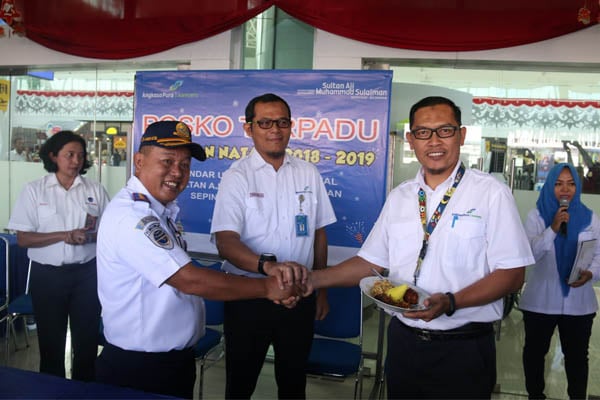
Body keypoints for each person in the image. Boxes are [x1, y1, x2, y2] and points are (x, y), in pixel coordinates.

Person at [305, 96, 535, 399]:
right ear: (411, 140)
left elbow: (512, 273)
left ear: (461, 135)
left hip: (464, 349)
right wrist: (311, 279)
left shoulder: (491, 194)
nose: (434, 141)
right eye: (424, 133)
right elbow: (369, 263)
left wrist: (450, 302)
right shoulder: (400, 197)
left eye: (445, 130)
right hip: (404, 344)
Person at [95, 120, 304, 399]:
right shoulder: (133, 217)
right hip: (140, 369)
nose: (177, 172)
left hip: (169, 363)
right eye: (167, 161)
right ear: (139, 162)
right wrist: (268, 288)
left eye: (185, 164)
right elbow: (189, 279)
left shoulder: (160, 212)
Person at [210, 93, 337, 399]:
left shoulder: (308, 172)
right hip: (248, 297)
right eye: (265, 122)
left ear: (291, 126)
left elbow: (319, 233)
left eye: (282, 122)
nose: (274, 130)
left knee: (293, 384)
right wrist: (268, 268)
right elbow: (226, 242)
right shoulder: (236, 176)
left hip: (299, 295)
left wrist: (321, 290)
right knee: (240, 384)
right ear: (249, 128)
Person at [7, 130, 110, 381]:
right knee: (51, 347)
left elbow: (110, 233)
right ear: (53, 156)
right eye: (69, 155)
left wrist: (89, 237)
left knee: (86, 345)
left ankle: (84, 393)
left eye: (81, 155)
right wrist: (64, 235)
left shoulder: (95, 191)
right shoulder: (34, 191)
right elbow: (23, 238)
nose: (76, 161)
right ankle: (52, 392)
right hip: (48, 277)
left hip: (87, 276)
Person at [520, 163, 600, 400]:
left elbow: (598, 256)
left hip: (579, 304)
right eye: (558, 184)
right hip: (540, 302)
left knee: (577, 358)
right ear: (549, 186)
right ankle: (536, 395)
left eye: (571, 183)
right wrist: (553, 228)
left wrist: (590, 274)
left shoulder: (590, 218)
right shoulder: (536, 216)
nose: (565, 190)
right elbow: (530, 254)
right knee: (534, 354)